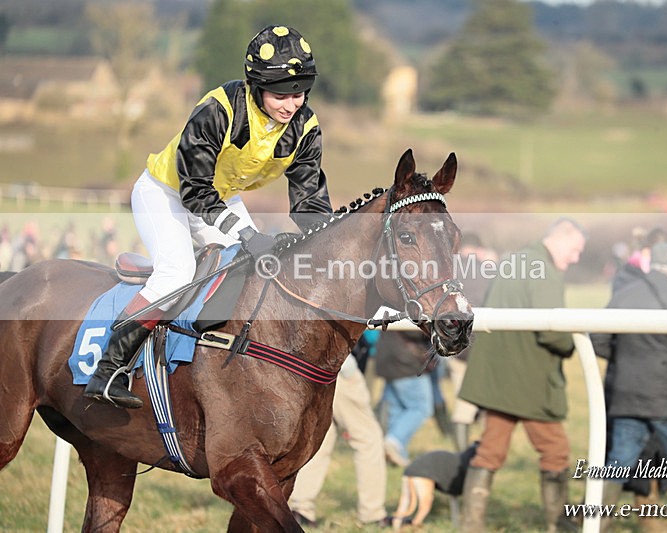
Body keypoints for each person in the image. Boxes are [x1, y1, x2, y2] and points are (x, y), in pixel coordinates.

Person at [83, 25, 332, 409]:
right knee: (177, 273)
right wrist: (247, 234)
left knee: (257, 269)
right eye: (281, 95)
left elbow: (310, 203)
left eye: (298, 94)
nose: (291, 105)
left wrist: (331, 243)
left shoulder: (305, 128)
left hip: (220, 197)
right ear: (257, 87)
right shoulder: (218, 109)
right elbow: (195, 192)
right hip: (167, 192)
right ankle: (109, 368)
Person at [458, 218, 586, 533]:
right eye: (574, 250)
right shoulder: (546, 272)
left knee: (489, 451)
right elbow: (552, 331)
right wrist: (573, 343)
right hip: (529, 380)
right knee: (555, 451)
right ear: (560, 239)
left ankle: (471, 525)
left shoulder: (513, 261)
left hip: (496, 375)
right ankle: (559, 525)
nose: (575, 258)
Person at [591, 242, 667, 533]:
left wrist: (626, 361)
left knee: (617, 464)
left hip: (627, 398)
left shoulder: (623, 295)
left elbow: (598, 339)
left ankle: (597, 526)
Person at [288, 350, 390, 528]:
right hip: (340, 368)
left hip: (311, 367)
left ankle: (300, 508)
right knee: (369, 439)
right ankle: (372, 513)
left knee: (321, 440)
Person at [449, 232, 498, 452]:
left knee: (462, 398)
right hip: (481, 345)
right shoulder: (487, 272)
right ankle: (486, 449)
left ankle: (460, 451)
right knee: (487, 396)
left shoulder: (447, 271)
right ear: (479, 250)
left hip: (454, 344)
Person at [374, 330, 435, 468]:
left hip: (387, 358)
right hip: (406, 362)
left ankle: (398, 456)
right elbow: (417, 330)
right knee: (421, 408)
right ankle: (393, 441)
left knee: (397, 410)